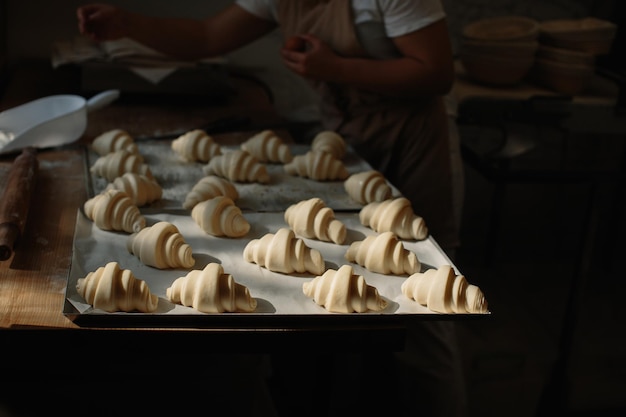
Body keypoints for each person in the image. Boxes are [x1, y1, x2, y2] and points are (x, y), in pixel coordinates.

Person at [76, 2, 467, 416]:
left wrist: (336, 68)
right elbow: (208, 38)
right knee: (352, 318)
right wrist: (126, 23)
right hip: (349, 140)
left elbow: (436, 72)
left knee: (428, 318)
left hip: (414, 145)